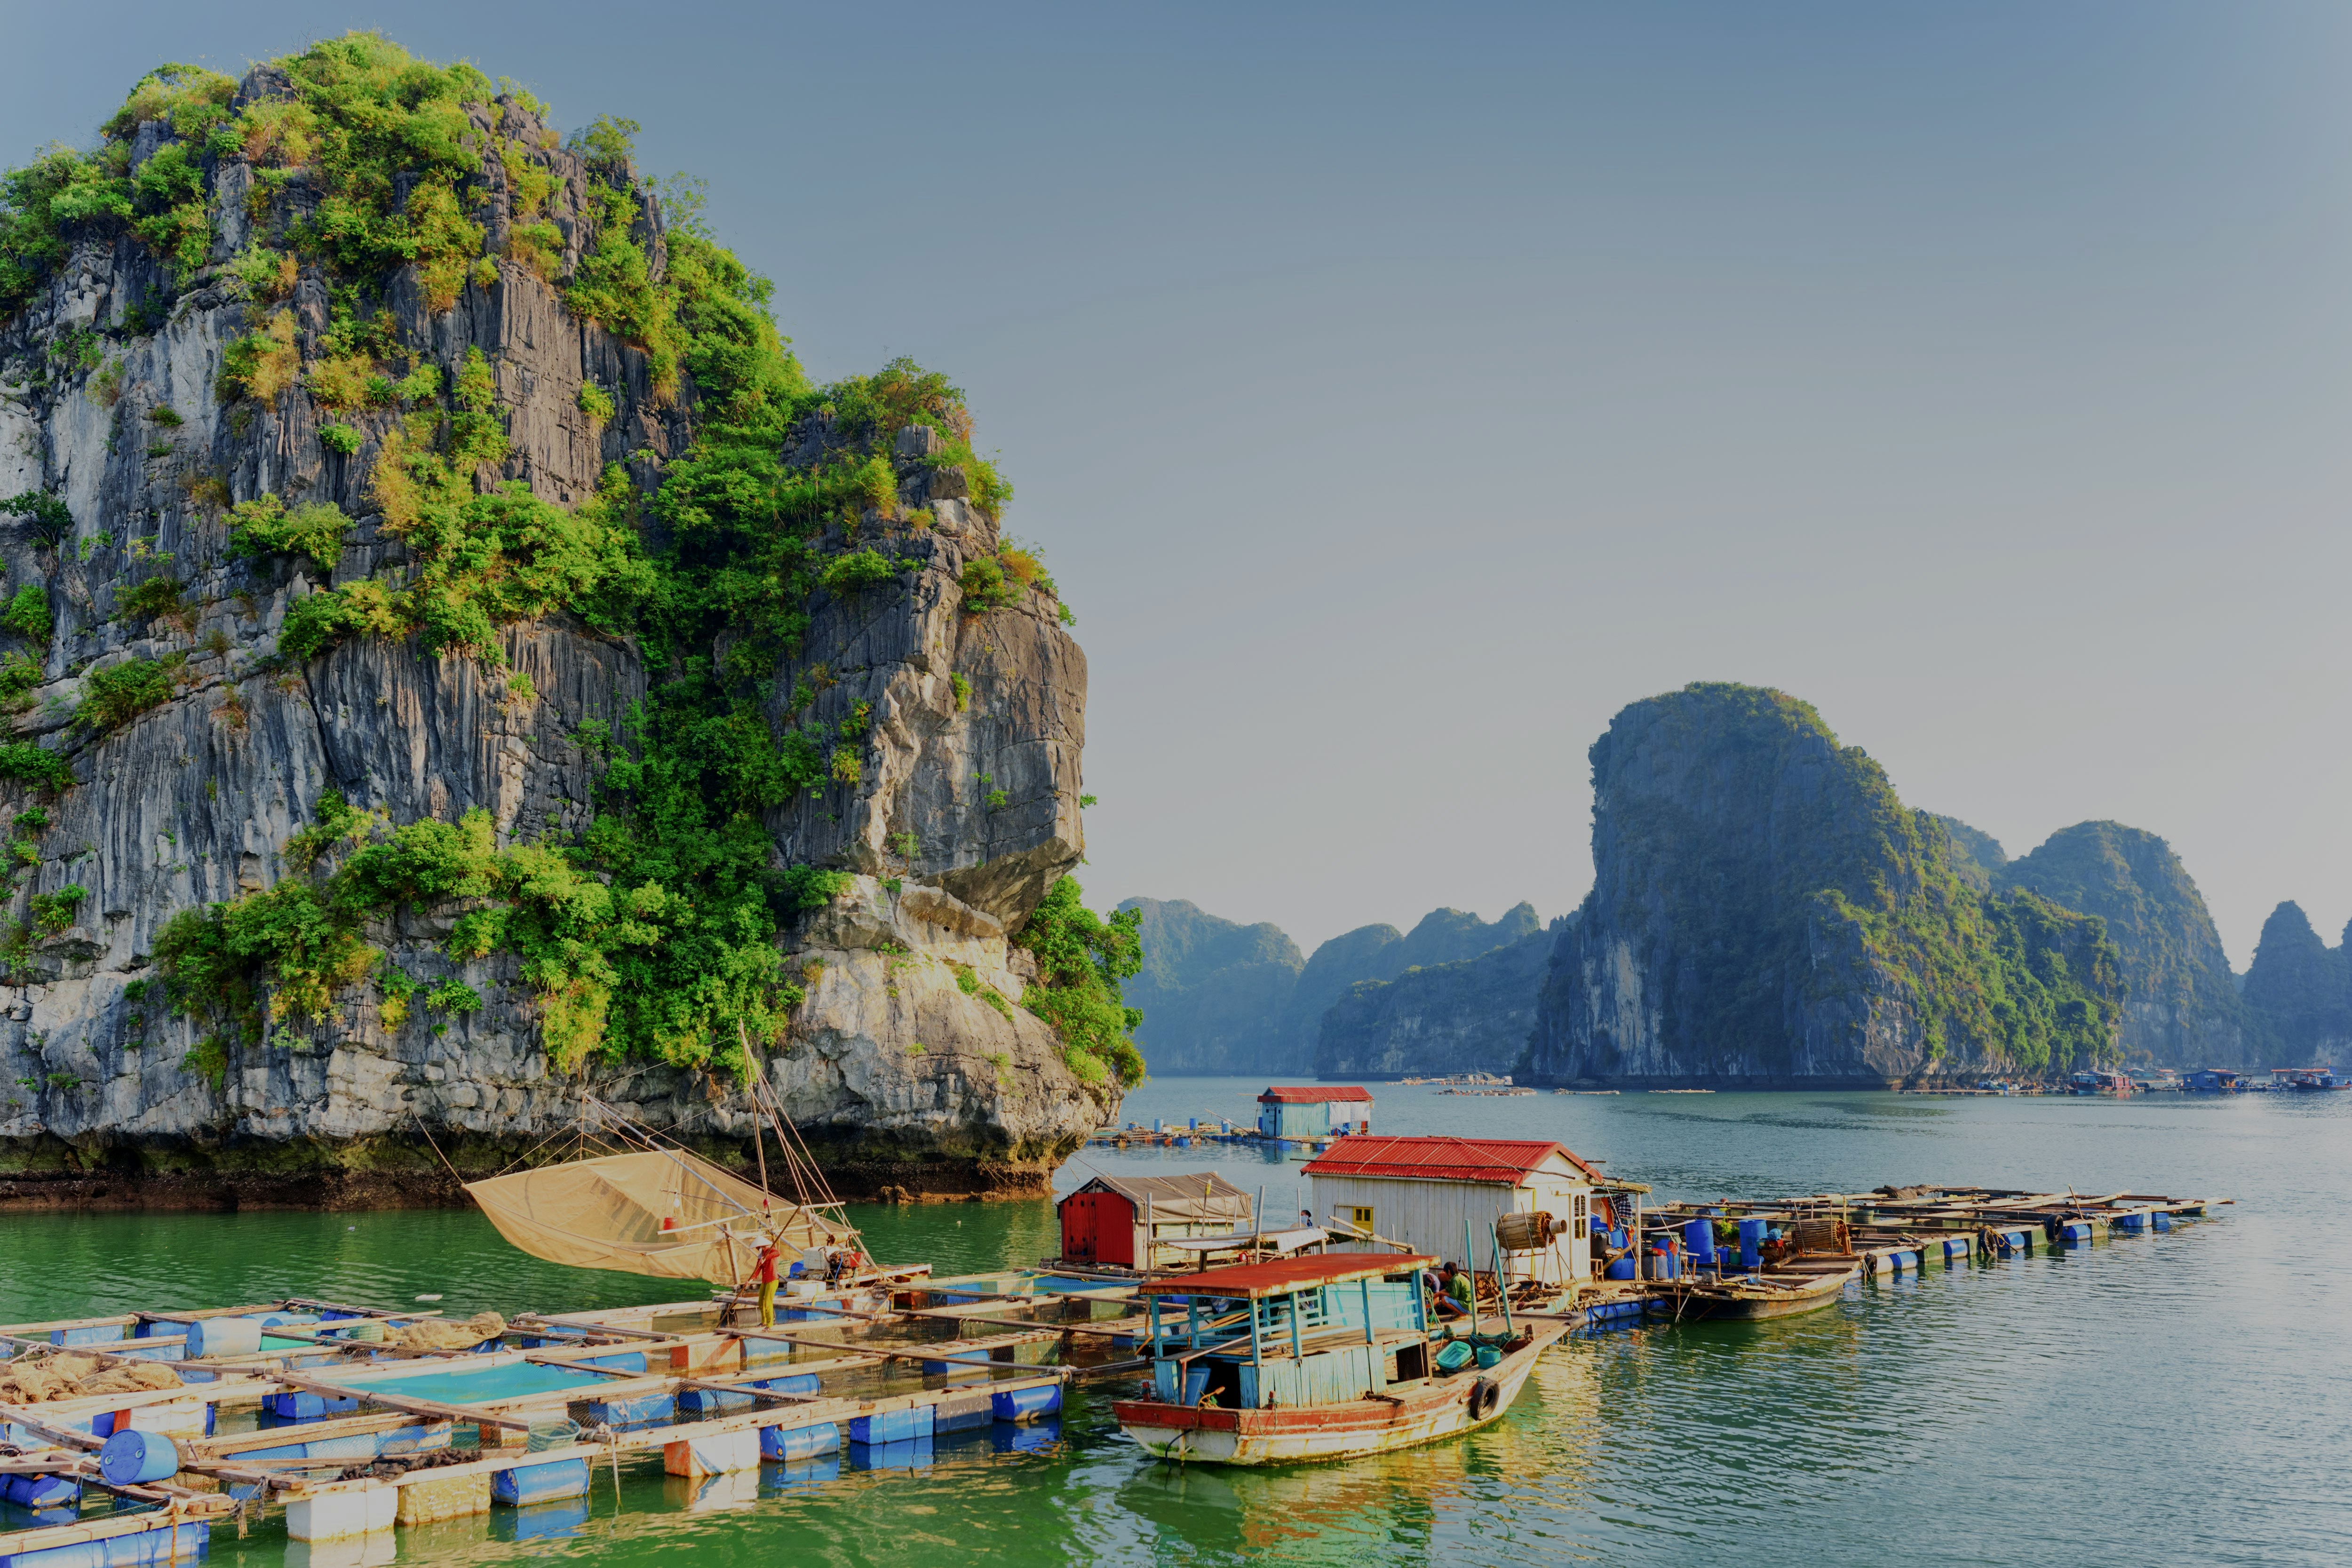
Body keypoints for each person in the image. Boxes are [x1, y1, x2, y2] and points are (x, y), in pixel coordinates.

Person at [753, 1233, 781, 1329]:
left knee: (768, 1302)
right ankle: (764, 1322)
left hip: (773, 1280)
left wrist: (766, 1258)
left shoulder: (771, 1250)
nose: (757, 1249)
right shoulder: (761, 1256)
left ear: (761, 1246)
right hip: (765, 1281)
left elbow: (777, 1253)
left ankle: (770, 1324)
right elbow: (758, 1269)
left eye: (758, 1247)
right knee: (761, 1301)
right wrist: (751, 1279)